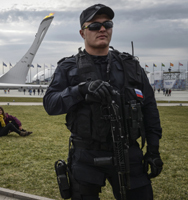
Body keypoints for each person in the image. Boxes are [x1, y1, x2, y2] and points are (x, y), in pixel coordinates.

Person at [43, 4, 163, 200]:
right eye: (94, 26)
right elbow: (50, 103)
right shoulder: (69, 67)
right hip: (86, 156)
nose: (102, 29)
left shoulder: (130, 66)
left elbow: (149, 108)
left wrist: (153, 150)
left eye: (107, 24)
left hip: (128, 153)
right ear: (82, 32)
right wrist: (80, 90)